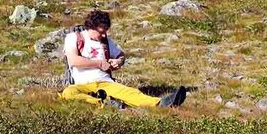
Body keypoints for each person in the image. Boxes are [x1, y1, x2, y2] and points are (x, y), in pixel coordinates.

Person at [58, 10, 186, 109]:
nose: (104, 35)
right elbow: (74, 61)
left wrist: (119, 61)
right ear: (92, 26)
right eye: (101, 31)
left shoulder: (106, 41)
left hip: (105, 82)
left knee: (129, 93)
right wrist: (99, 63)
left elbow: (121, 55)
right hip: (81, 84)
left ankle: (160, 103)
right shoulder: (73, 37)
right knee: (69, 93)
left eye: (106, 31)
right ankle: (102, 103)